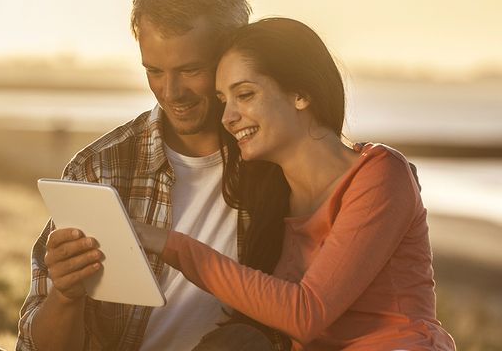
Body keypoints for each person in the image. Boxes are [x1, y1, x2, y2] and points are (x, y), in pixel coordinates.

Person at [0, 0, 289, 350]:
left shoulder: (282, 163)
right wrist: (66, 294)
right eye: (154, 71)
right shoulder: (100, 168)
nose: (172, 92)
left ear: (232, 54)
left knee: (243, 342)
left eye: (190, 70)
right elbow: (38, 346)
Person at [131, 17, 457, 350]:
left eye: (244, 94)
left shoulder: (381, 174)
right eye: (223, 100)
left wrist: (171, 244)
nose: (228, 117)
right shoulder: (272, 195)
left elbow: (305, 312)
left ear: (300, 94)